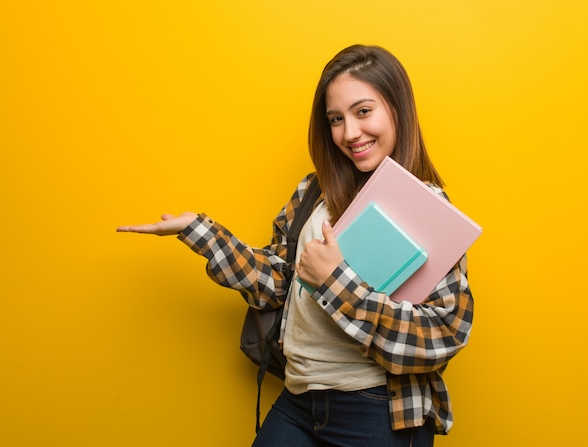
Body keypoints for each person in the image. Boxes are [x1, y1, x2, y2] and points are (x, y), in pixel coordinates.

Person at [117, 44, 474, 447]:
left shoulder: (427, 207)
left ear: (397, 110)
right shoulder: (313, 191)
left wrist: (334, 281)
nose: (349, 133)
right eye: (335, 119)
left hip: (377, 411)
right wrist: (200, 231)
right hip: (300, 398)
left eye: (363, 112)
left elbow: (444, 333)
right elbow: (277, 282)